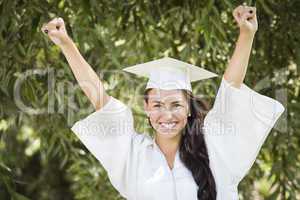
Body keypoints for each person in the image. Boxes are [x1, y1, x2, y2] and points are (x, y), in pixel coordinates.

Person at [41, 5, 285, 200]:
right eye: (157, 105)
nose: (166, 114)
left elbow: (231, 89)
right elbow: (98, 97)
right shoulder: (133, 155)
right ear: (147, 109)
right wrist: (66, 43)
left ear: (189, 109)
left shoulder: (214, 146)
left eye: (176, 105)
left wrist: (246, 33)